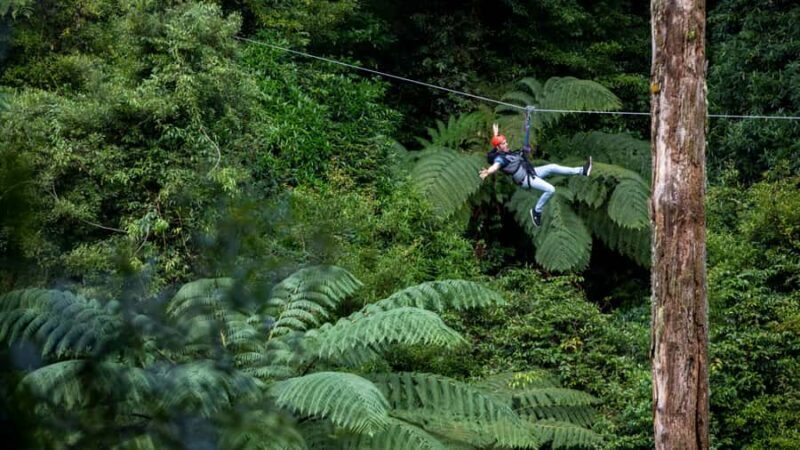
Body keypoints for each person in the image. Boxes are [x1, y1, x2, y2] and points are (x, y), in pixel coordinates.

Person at [479, 123, 592, 227]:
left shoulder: (502, 151)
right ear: (499, 147)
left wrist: (495, 134)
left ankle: (582, 171)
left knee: (552, 167)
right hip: (525, 179)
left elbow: (496, 146)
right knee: (551, 189)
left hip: (530, 171)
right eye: (504, 143)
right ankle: (536, 211)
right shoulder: (500, 158)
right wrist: (489, 171)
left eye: (505, 142)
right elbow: (496, 166)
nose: (506, 144)